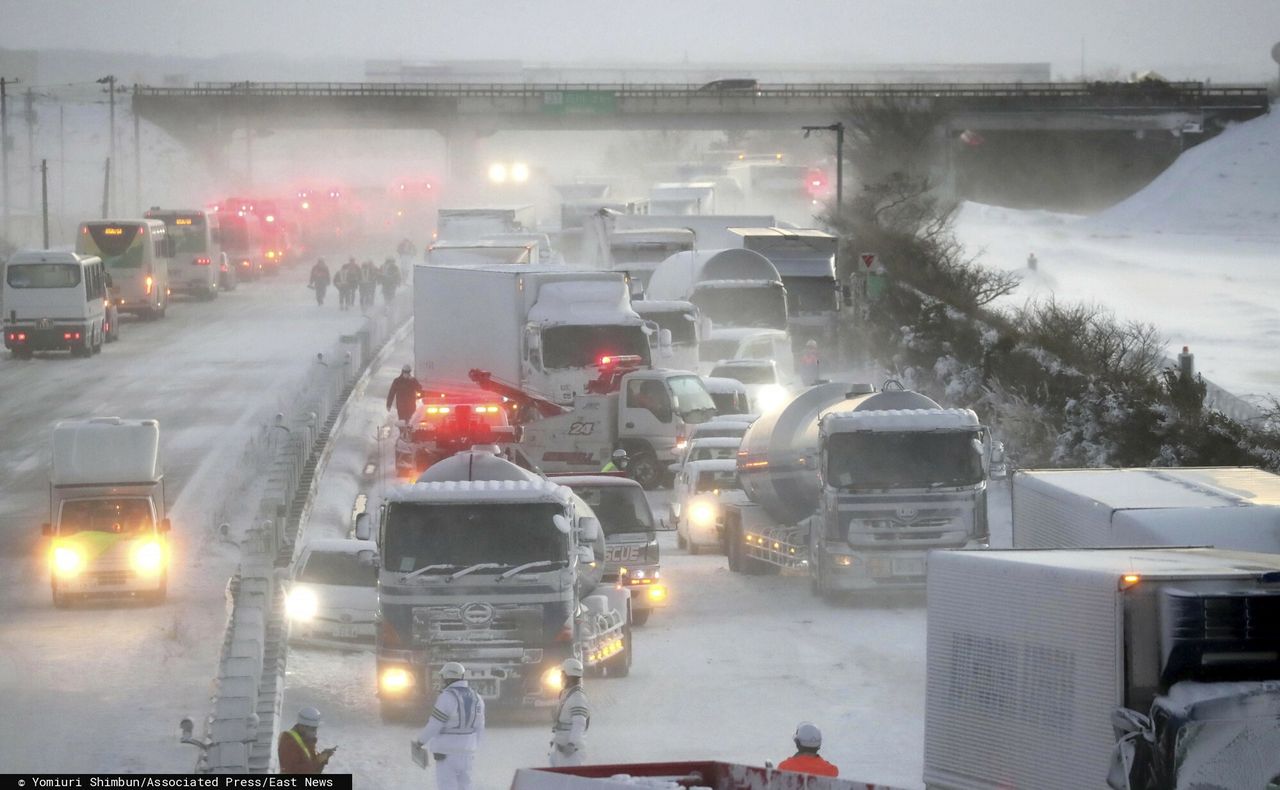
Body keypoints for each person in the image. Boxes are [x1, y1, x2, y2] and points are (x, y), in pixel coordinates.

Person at [411, 662, 485, 790]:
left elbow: (435, 724)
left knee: (447, 786)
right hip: (468, 754)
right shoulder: (477, 697)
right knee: (466, 786)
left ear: (447, 677)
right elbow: (480, 727)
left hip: (446, 754)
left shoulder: (446, 697)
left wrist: (420, 742)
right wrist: (472, 747)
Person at [549, 658, 590, 767]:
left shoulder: (577, 697)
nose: (560, 677)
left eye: (562, 674)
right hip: (561, 749)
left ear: (568, 676)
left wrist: (572, 743)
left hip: (571, 753)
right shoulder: (567, 694)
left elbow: (579, 723)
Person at [277, 707, 335, 774]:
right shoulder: (289, 742)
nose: (315, 732)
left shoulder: (306, 740)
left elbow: (311, 764)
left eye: (316, 728)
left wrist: (323, 757)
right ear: (303, 726)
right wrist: (318, 761)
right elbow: (292, 771)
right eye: (313, 729)